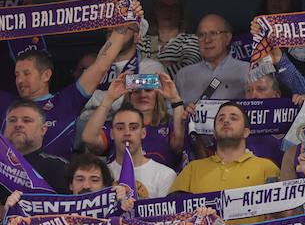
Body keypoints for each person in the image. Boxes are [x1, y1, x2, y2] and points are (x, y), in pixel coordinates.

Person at [3, 16, 139, 156]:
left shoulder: (65, 101)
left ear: (46, 75)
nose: (19, 80)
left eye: (26, 74)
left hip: (55, 176)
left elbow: (100, 65)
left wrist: (123, 23)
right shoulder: (6, 104)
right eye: (17, 74)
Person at [168, 102, 281, 201]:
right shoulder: (192, 169)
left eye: (234, 118)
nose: (226, 121)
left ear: (246, 132)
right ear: (215, 134)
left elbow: (280, 213)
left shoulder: (268, 168)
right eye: (221, 119)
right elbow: (172, 212)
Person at [103, 106, 176, 198]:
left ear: (143, 133)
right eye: (120, 128)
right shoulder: (102, 174)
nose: (127, 133)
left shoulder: (165, 175)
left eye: (133, 128)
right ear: (112, 134)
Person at [175, 14, 250, 101]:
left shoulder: (247, 71)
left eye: (214, 33)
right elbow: (170, 111)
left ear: (228, 38)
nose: (207, 40)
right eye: (201, 35)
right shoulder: (183, 76)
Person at [3, 100, 70, 191]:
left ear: (43, 130)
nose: (18, 124)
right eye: (12, 120)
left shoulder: (58, 167)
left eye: (26, 120)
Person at [137, 0, 201, 75]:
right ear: (155, 10)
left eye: (174, 6)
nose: (168, 11)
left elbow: (186, 72)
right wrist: (166, 65)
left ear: (181, 11)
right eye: (162, 6)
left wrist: (144, 71)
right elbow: (126, 74)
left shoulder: (192, 40)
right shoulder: (142, 42)